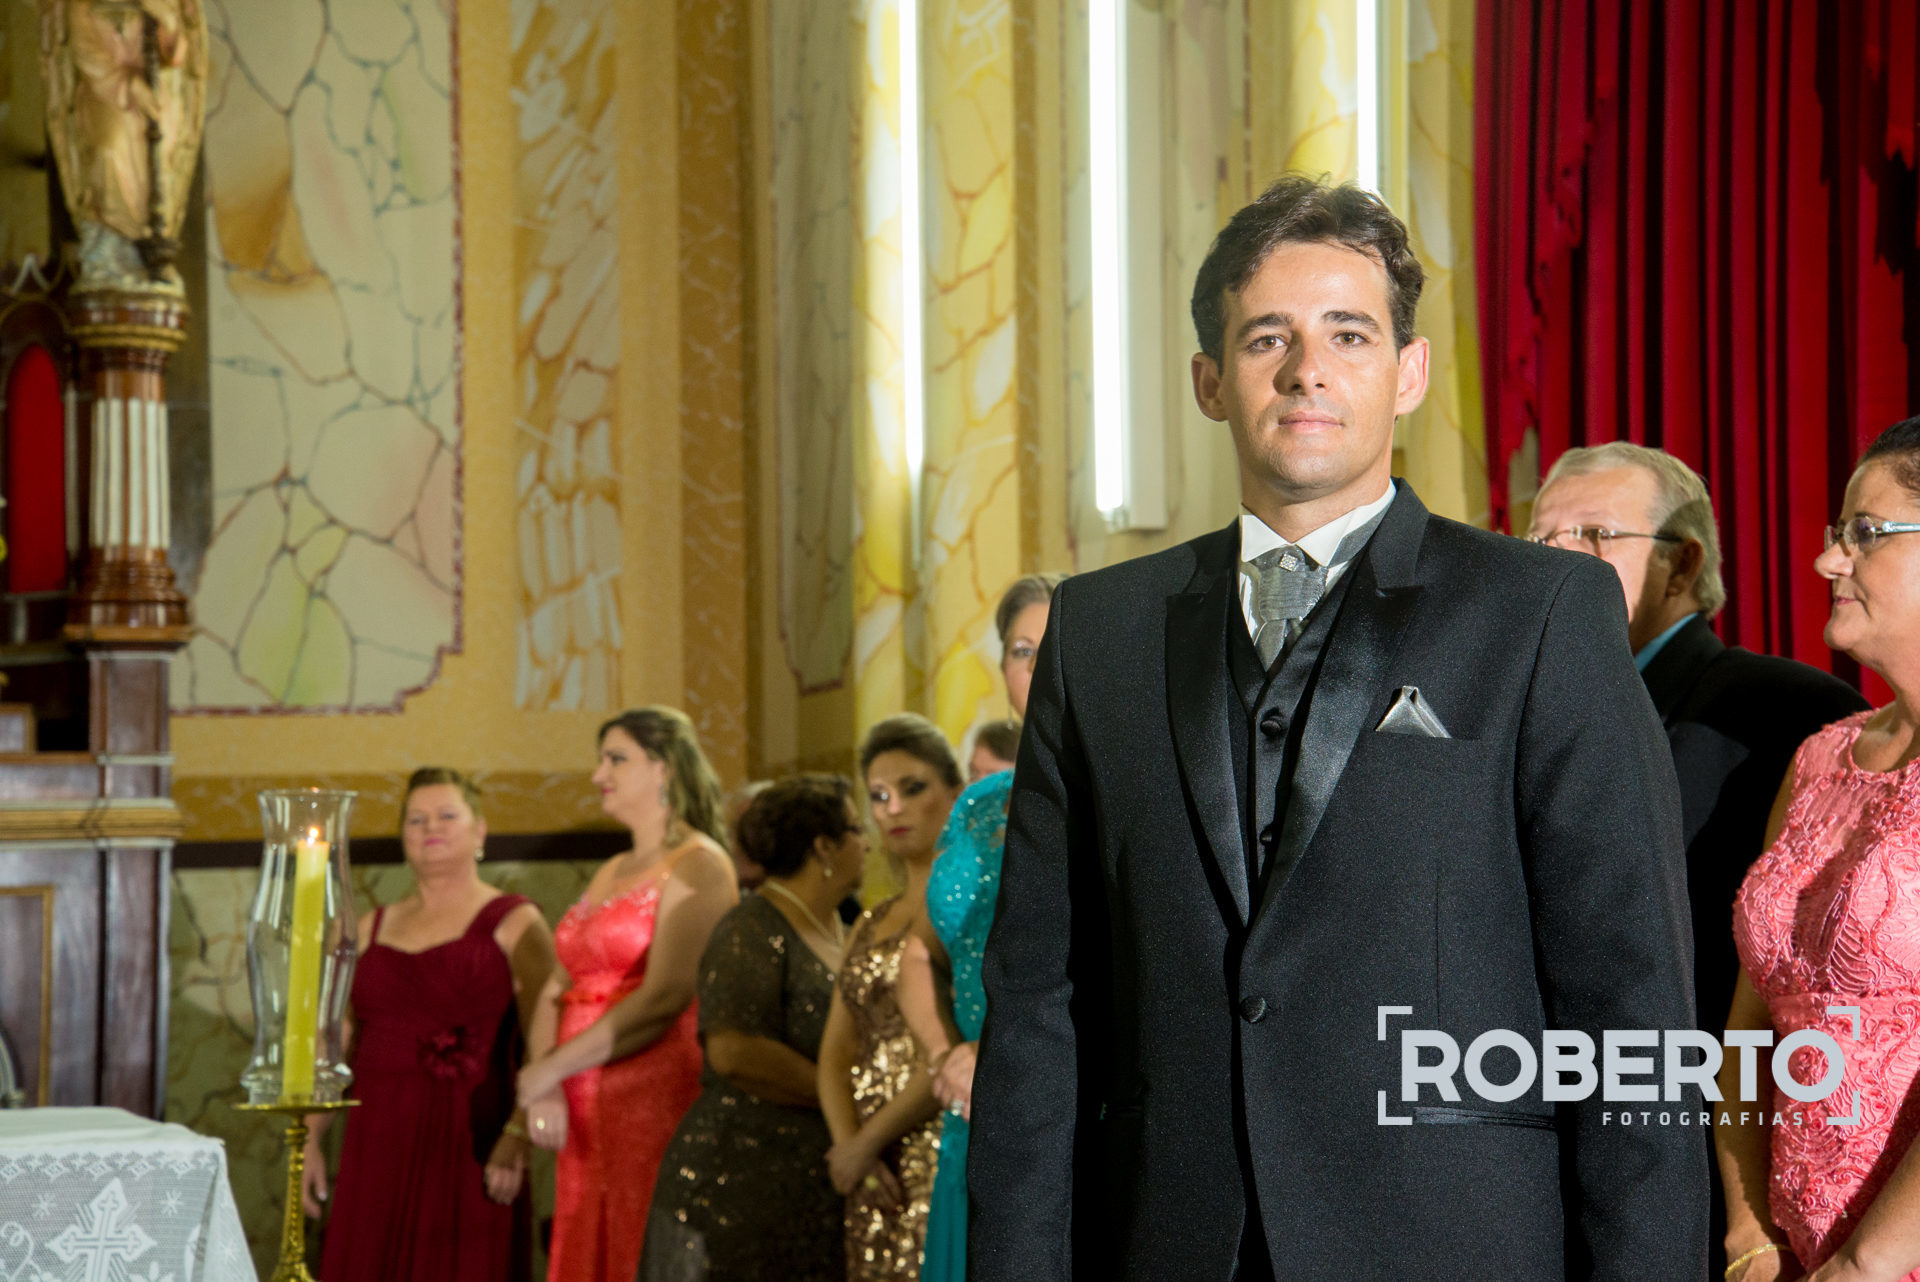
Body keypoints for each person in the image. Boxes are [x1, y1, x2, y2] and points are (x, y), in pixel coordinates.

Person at [969, 174, 1704, 1280]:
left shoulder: (1540, 611)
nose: (1307, 368)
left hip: (1457, 1243)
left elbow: (1631, 997)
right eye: (1267, 337)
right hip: (1168, 1241)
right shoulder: (1098, 633)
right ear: (1210, 382)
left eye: (1348, 334)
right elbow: (1040, 1003)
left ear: (1409, 373)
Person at [1529, 443, 1867, 1034]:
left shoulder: (1791, 711)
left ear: (1683, 565)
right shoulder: (1523, 710)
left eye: (1594, 534)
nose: (1555, 559)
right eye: (1539, 540)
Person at [1718, 418, 1920, 1282]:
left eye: (1865, 534)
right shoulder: (1819, 758)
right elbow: (1748, 1027)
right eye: (1840, 532)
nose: (1827, 560)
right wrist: (1748, 1234)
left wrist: (1865, 1265)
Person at [304, 768, 556, 1282]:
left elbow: (547, 1034)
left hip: (469, 1139)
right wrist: (308, 1140)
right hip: (376, 1140)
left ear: (479, 830)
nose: (430, 828)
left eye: (446, 815)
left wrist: (519, 1132)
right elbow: (333, 1043)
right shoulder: (366, 928)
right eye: (416, 819)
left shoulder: (515, 920)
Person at [515, 708, 738, 1282]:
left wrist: (551, 1068)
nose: (599, 775)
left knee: (640, 1247)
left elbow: (666, 996)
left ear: (664, 768)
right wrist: (546, 1080)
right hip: (584, 1113)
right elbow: (558, 986)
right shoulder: (612, 868)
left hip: (651, 1099)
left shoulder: (701, 865)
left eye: (616, 759)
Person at [896, 572, 1064, 1282]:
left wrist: (993, 1054)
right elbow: (918, 950)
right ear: (1003, 670)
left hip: (1056, 1109)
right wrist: (948, 1057)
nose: (1039, 667)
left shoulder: (1122, 793)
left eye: (1057, 647)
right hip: (966, 1107)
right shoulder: (977, 805)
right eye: (1023, 651)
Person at [640, 774, 869, 1282]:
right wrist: (846, 1098)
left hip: (814, 1181)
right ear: (824, 847)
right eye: (857, 830)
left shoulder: (851, 926)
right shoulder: (751, 926)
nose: (868, 844)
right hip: (742, 1179)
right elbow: (734, 1051)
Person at [817, 715, 962, 1281]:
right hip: (867, 1169)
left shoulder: (967, 913)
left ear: (955, 791)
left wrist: (867, 1143)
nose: (893, 808)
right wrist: (849, 1148)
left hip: (934, 1146)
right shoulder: (869, 920)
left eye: (912, 788)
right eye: (878, 796)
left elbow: (952, 1040)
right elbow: (836, 1050)